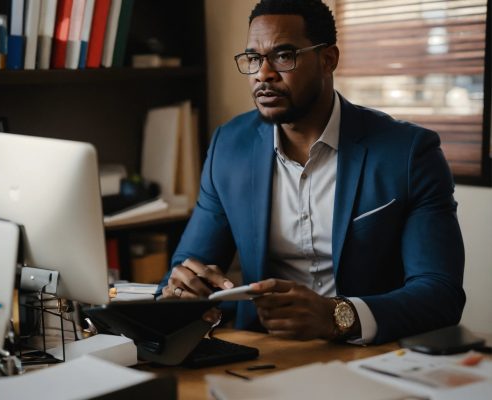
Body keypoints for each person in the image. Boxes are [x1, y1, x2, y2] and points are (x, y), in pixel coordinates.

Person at [159, 0, 465, 344]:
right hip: (263, 354)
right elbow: (190, 264)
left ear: (328, 60)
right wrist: (183, 287)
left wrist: (337, 315)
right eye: (254, 59)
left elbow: (441, 295)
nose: (263, 73)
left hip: (369, 357)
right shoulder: (229, 146)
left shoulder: (408, 153)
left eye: (284, 55)